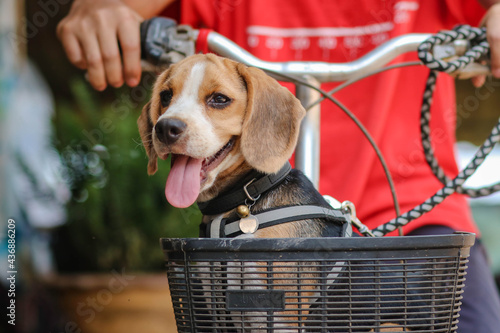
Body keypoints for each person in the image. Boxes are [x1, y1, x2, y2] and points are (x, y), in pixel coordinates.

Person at [57, 0, 500, 332]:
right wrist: (97, 9)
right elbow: (112, 8)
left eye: (218, 98)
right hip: (248, 227)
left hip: (417, 218)